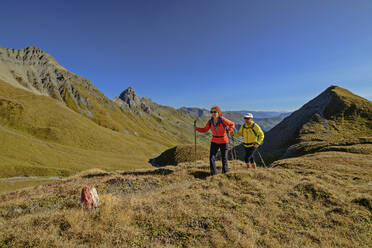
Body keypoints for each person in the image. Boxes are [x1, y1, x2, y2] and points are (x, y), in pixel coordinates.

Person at [195, 106, 235, 175]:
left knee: (224, 158)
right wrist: (197, 129)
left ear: (218, 112)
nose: (213, 113)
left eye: (215, 112)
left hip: (224, 141)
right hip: (214, 141)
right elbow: (205, 129)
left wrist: (230, 130)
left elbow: (232, 124)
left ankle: (225, 173)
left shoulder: (222, 119)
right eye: (212, 112)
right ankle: (214, 174)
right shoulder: (210, 121)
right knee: (211, 158)